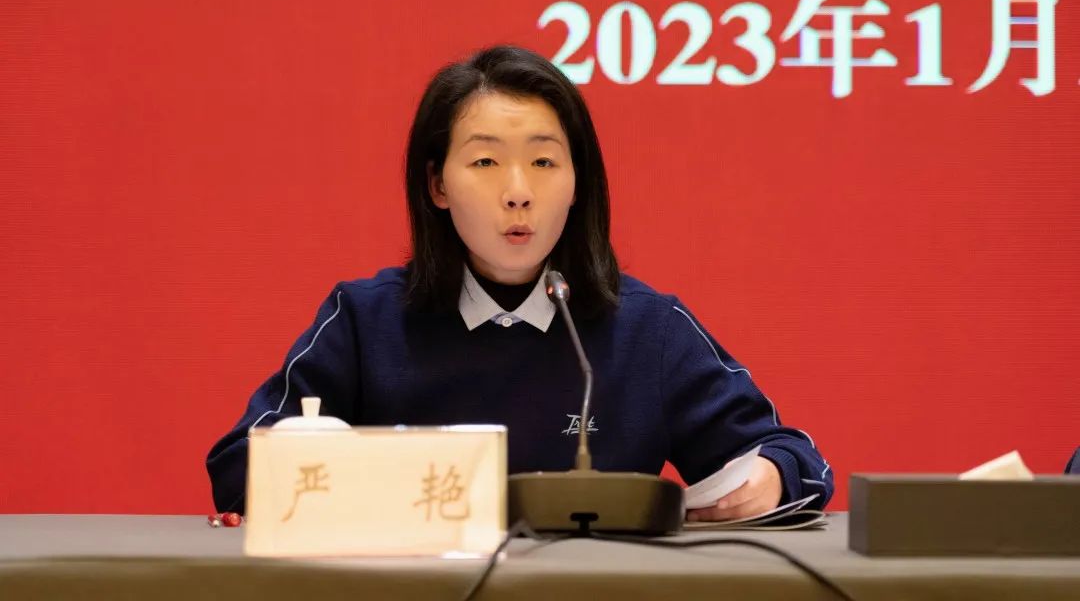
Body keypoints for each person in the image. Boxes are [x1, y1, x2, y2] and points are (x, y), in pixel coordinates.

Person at [206, 45, 833, 521]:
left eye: (543, 161)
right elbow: (239, 467)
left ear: (577, 181)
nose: (517, 192)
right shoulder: (366, 321)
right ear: (437, 185)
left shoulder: (648, 330)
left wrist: (771, 478)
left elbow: (793, 459)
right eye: (485, 161)